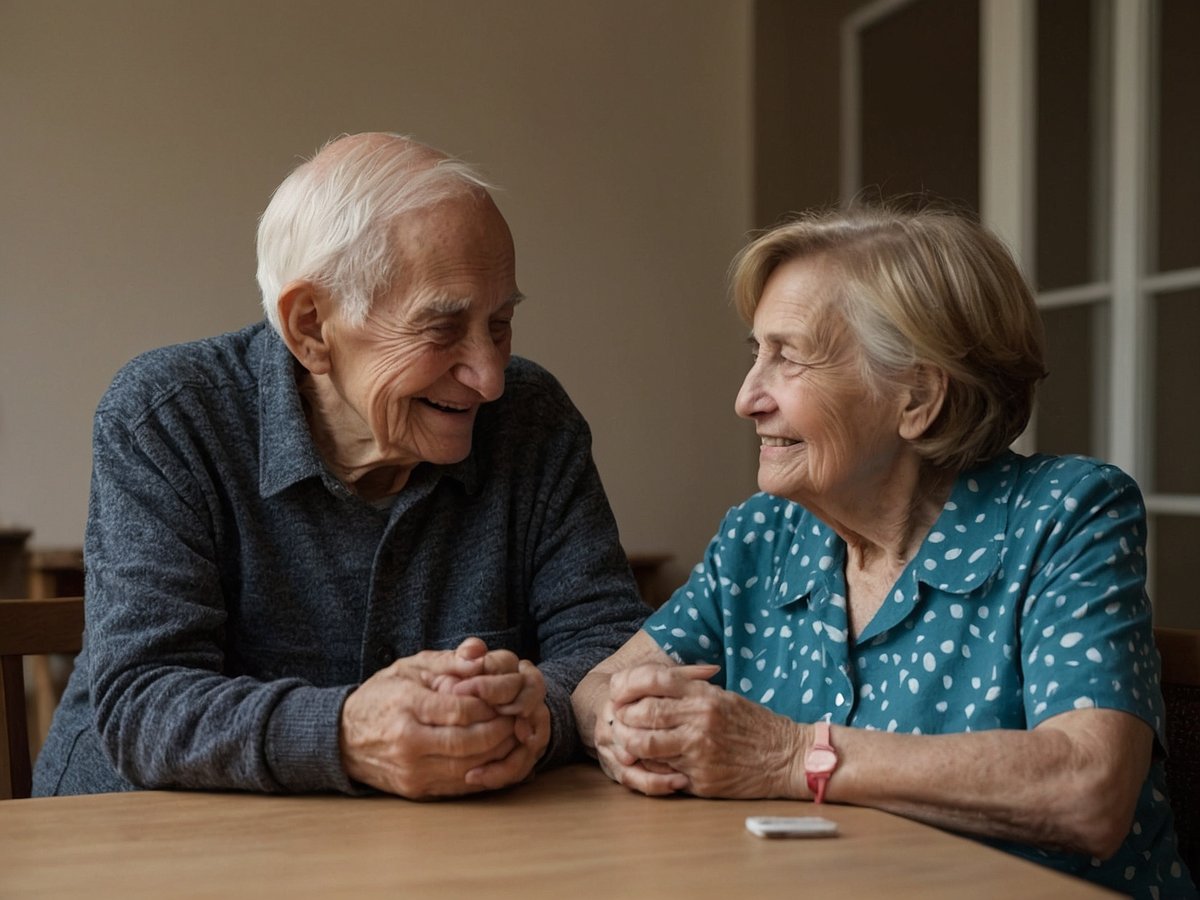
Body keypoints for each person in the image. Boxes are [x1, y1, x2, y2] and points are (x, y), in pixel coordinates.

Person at [571, 204, 1196, 897]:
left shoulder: (1064, 515)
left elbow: (1088, 786)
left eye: (789, 357)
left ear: (917, 396)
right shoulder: (763, 537)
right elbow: (597, 689)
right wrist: (628, 730)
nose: (747, 397)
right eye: (756, 353)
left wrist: (789, 756)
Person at [34, 132, 649, 800]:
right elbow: (145, 703)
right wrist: (350, 734)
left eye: (499, 324)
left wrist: (530, 712)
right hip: (148, 845)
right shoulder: (168, 415)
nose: (490, 377)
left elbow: (611, 651)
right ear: (310, 328)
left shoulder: (533, 421)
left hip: (419, 850)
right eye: (441, 329)